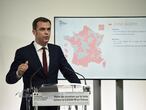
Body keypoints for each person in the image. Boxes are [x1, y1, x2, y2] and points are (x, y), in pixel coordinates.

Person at [6, 17, 81, 110]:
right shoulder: (23, 52)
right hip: (31, 105)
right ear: (34, 32)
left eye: (48, 29)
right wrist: (19, 73)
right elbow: (9, 79)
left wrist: (80, 87)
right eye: (42, 29)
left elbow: (68, 72)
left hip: (53, 104)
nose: (46, 32)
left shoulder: (56, 50)